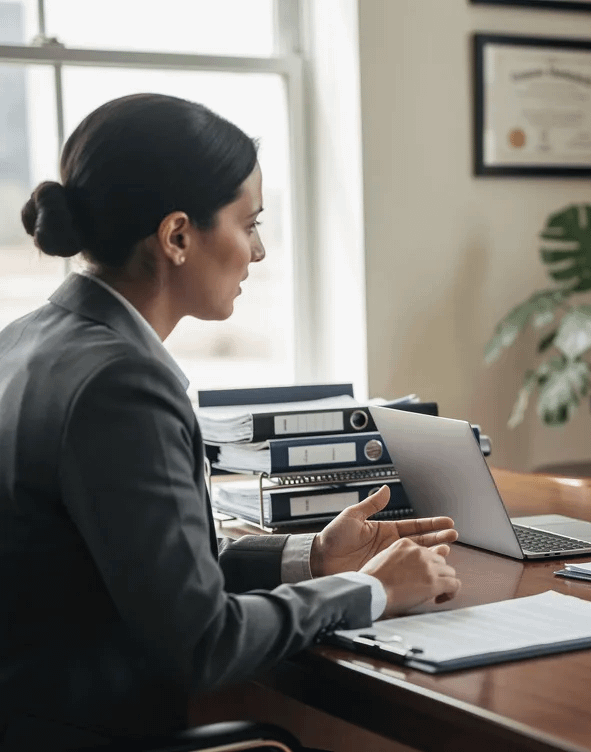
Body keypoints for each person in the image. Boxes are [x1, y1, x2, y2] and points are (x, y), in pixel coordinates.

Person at [0, 94, 462, 749]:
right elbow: (202, 642)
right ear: (178, 236)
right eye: (250, 224)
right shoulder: (123, 384)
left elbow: (145, 571)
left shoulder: (23, 340)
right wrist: (368, 590)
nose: (260, 251)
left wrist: (313, 556)